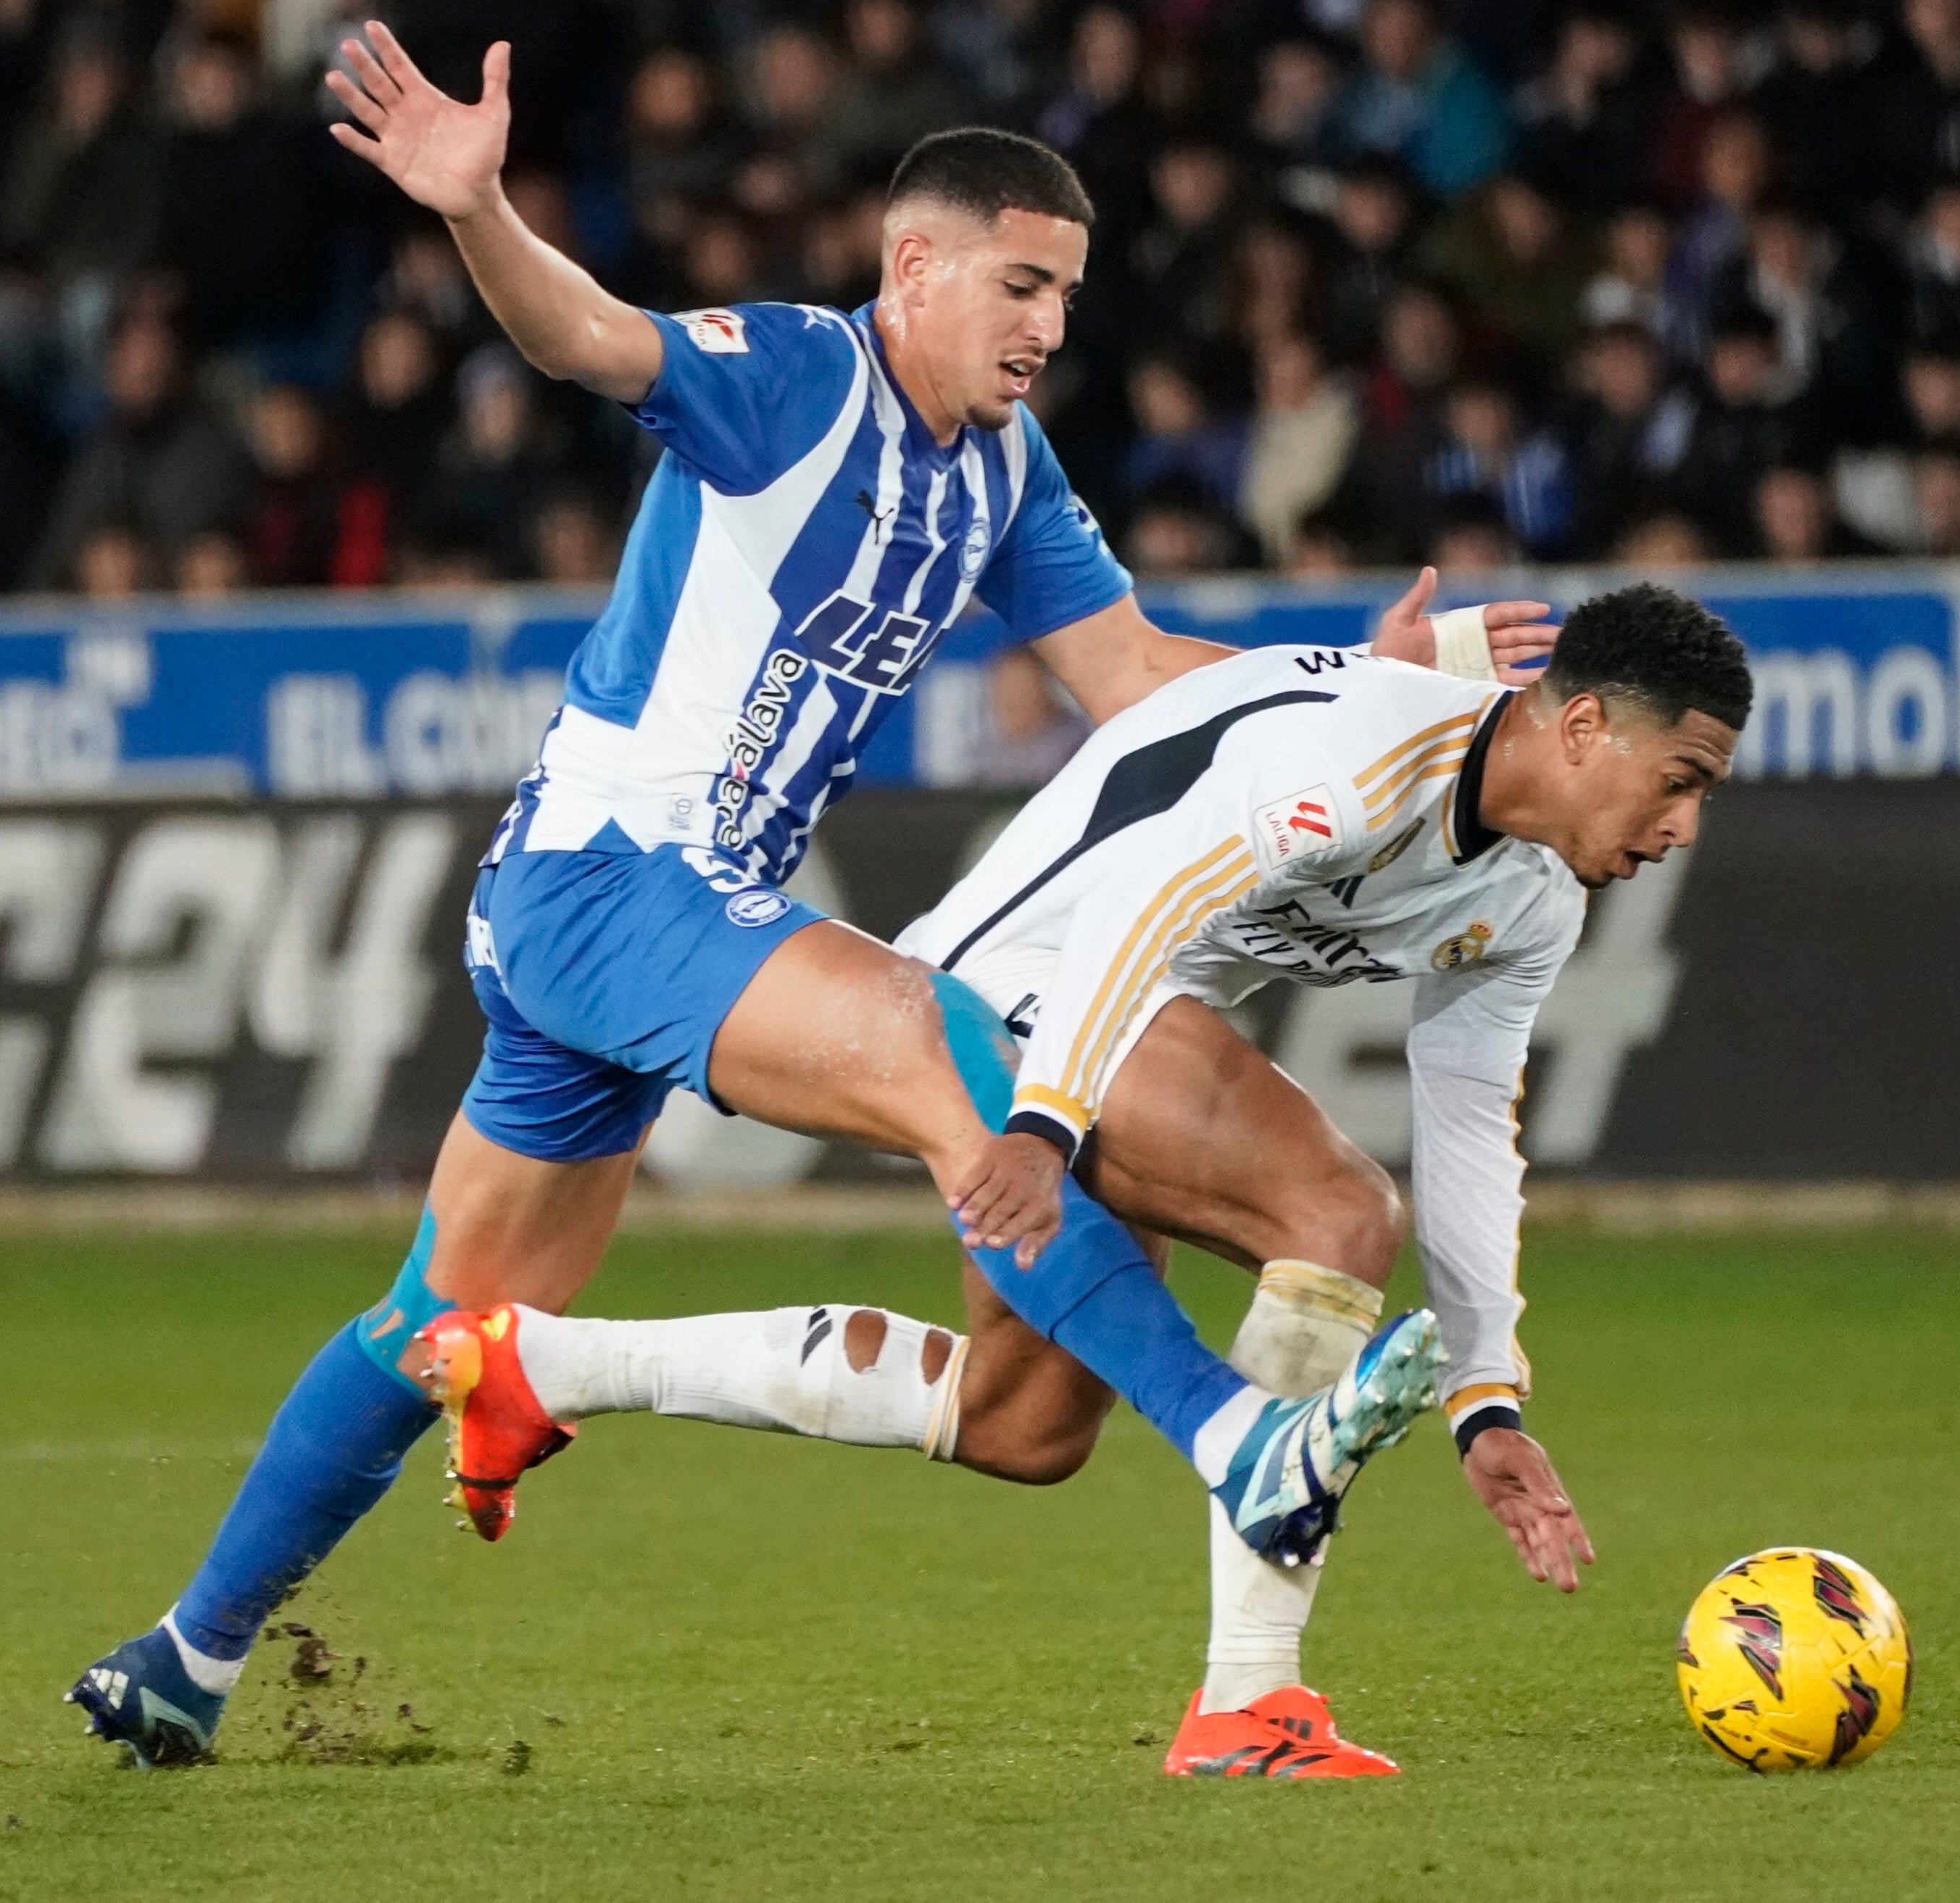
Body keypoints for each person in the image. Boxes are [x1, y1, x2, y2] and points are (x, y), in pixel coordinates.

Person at [65, 25, 1553, 1768]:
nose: (1047, 330)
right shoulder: (793, 378)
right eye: (1019, 285)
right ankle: (1239, 1441)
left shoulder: (1004, 474)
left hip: (652, 925)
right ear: (912, 268)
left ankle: (188, 1653)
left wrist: (1344, 682)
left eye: (1065, 297)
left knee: (437, 1326)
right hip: (613, 879)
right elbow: (586, 336)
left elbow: (1144, 675)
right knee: (952, 1047)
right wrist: (476, 213)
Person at [420, 585, 1753, 1775]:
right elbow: (1140, 904)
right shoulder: (1362, 760)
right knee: (1335, 1210)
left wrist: (1485, 1395)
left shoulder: (1533, 897)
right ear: (1583, 729)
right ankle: (1251, 1702)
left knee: (1021, 1426)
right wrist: (1042, 1128)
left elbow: (1469, 1122)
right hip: (1007, 993)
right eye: (1680, 778)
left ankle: (547, 1363)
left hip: (1108, 1025)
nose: (1685, 827)